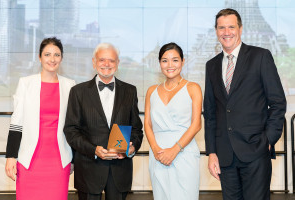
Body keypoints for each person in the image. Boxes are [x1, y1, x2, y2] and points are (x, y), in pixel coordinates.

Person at [204, 8, 286, 200]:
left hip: (256, 151)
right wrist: (212, 152)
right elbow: (210, 112)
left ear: (240, 29)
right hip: (225, 156)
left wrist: (268, 140)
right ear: (216, 31)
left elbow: (277, 102)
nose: (226, 32)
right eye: (221, 28)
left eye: (231, 27)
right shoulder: (211, 65)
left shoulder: (260, 57)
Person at [64, 43, 143, 200]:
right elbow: (71, 131)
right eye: (102, 60)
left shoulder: (130, 91)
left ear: (118, 63)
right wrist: (94, 150)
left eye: (111, 60)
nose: (107, 64)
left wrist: (131, 148)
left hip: (120, 171)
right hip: (88, 169)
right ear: (94, 62)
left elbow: (136, 130)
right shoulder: (78, 92)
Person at [5, 37, 75, 200]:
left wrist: (75, 159)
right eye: (47, 54)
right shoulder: (26, 83)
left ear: (62, 58)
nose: (52, 59)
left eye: (57, 55)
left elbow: (74, 125)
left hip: (59, 159)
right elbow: (17, 123)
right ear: (39, 57)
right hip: (29, 159)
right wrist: (10, 156)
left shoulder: (70, 85)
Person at [144, 42, 202, 200]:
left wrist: (174, 150)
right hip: (158, 154)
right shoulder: (151, 91)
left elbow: (196, 124)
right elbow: (147, 124)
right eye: (164, 60)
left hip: (184, 153)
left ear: (183, 61)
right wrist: (156, 149)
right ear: (159, 63)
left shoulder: (193, 88)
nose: (170, 65)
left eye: (175, 60)